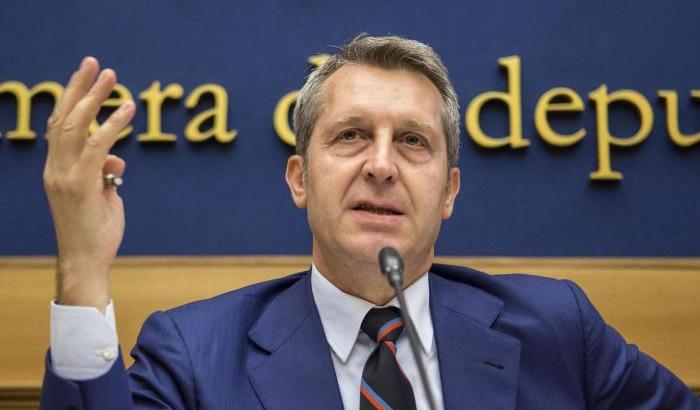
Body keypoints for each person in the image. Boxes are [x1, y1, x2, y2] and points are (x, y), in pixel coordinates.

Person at [40, 35, 696, 409]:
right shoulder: (195, 355)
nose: (381, 165)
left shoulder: (558, 333)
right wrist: (83, 269)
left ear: (449, 192)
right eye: (351, 135)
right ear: (299, 179)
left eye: (412, 141)